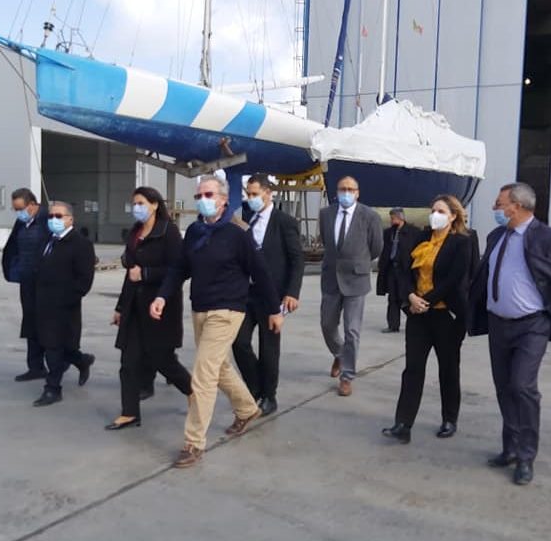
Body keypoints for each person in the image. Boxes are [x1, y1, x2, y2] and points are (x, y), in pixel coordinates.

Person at [151, 175, 283, 468]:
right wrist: (162, 296)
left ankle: (193, 442)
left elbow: (260, 272)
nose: (203, 201)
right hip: (200, 308)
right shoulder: (195, 232)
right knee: (218, 366)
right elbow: (180, 268)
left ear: (224, 200)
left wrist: (274, 310)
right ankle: (247, 408)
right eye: (199, 196)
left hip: (227, 310)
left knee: (203, 374)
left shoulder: (237, 234)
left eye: (209, 195)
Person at [468, 183, 551, 486]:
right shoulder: (496, 236)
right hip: (498, 324)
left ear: (517, 206)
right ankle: (510, 448)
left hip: (532, 325)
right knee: (503, 387)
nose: (495, 209)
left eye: (499, 204)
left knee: (522, 386)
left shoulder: (549, 238)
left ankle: (526, 456)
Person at [382, 195, 471, 444]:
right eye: (433, 210)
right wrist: (411, 295)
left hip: (446, 315)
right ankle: (403, 423)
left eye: (441, 211)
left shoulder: (461, 243)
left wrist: (426, 300)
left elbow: (454, 279)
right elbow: (404, 270)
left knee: (448, 368)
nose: (435, 215)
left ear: (453, 216)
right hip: (418, 314)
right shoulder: (421, 238)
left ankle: (449, 418)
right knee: (413, 368)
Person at [107, 187, 192, 430]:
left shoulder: (168, 232)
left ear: (155, 205)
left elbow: (179, 270)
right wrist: (120, 307)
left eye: (141, 203)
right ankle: (129, 413)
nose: (136, 208)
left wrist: (146, 273)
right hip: (134, 307)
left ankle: (193, 392)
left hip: (160, 306)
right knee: (128, 361)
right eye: (134, 203)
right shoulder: (135, 232)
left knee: (162, 359)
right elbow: (130, 275)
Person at [231, 175, 305, 416]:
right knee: (239, 341)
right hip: (247, 293)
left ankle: (269, 395)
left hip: (273, 295)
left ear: (268, 193)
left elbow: (297, 259)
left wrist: (292, 292)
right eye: (248, 194)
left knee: (269, 346)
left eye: (255, 194)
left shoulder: (284, 222)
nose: (251, 198)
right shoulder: (249, 219)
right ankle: (255, 385)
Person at [319, 176, 384, 396]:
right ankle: (340, 354)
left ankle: (347, 376)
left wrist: (359, 262)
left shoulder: (369, 216)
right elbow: (327, 242)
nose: (346, 193)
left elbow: (376, 247)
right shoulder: (326, 214)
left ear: (357, 193)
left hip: (356, 279)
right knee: (327, 324)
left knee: (352, 330)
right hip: (331, 278)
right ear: (336, 192)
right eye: (342, 189)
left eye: (350, 189)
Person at [31, 201, 97, 407]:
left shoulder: (80, 244)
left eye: (58, 216)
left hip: (64, 306)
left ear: (70, 219)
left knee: (54, 347)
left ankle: (53, 388)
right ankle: (82, 360)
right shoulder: (48, 241)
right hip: (43, 303)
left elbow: (84, 280)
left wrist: (66, 299)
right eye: (50, 216)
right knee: (57, 346)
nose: (53, 220)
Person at [2, 188, 50, 382]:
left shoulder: (49, 219)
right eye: (15, 209)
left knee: (48, 325)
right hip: (28, 280)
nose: (18, 213)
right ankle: (35, 367)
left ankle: (76, 359)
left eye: (20, 208)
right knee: (31, 323)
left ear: (32, 204)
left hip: (47, 283)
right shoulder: (22, 222)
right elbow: (13, 247)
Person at [376, 207, 418, 333]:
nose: (391, 221)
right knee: (392, 298)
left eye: (393, 218)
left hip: (405, 270)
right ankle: (393, 325)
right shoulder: (389, 233)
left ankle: (416, 320)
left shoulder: (412, 232)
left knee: (404, 297)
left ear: (400, 218)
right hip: (391, 269)